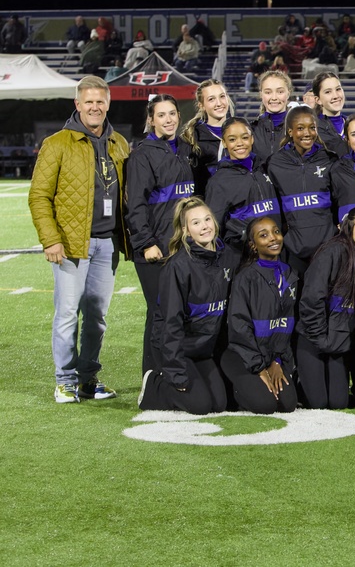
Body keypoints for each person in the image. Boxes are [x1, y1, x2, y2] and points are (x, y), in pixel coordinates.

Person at [29, 76, 129, 403]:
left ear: (108, 103)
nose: (95, 107)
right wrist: (50, 240)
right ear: (78, 104)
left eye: (100, 101)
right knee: (68, 314)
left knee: (97, 317)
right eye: (89, 102)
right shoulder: (57, 143)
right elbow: (39, 196)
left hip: (107, 245)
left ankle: (88, 380)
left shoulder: (119, 143)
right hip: (72, 245)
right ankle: (64, 380)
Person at [138, 198, 237, 414]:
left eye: (207, 219)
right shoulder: (178, 266)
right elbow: (170, 323)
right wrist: (175, 371)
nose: (204, 226)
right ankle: (155, 383)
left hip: (203, 349)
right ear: (185, 230)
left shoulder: (227, 257)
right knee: (200, 406)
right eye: (196, 223)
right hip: (177, 348)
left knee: (219, 404)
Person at [124, 94, 195, 374]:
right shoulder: (143, 154)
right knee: (159, 314)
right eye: (161, 115)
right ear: (151, 120)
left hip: (182, 247)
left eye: (172, 114)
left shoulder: (186, 149)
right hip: (156, 248)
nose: (168, 120)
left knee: (178, 313)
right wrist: (145, 243)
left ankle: (175, 371)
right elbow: (136, 203)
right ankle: (152, 377)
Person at [296, 206, 355, 409]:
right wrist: (322, 339)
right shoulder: (333, 251)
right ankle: (297, 381)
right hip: (314, 340)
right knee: (318, 404)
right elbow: (311, 300)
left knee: (338, 403)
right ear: (349, 228)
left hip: (338, 343)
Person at [222, 216, 299, 413]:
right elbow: (239, 327)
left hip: (272, 356)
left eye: (276, 232)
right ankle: (234, 390)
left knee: (287, 404)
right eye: (263, 235)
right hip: (243, 356)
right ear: (253, 245)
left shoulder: (290, 274)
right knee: (265, 405)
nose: (273, 238)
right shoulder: (245, 277)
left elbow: (286, 324)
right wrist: (259, 367)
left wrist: (277, 361)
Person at [265, 106, 336, 277]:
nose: (307, 133)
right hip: (293, 252)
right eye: (300, 128)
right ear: (290, 131)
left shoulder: (330, 159)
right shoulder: (275, 164)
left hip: (328, 248)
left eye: (312, 127)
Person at [204, 116, 281, 256]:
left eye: (244, 137)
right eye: (232, 139)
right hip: (243, 256)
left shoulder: (266, 168)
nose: (239, 143)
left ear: (252, 139)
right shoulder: (218, 181)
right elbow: (215, 228)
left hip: (277, 250)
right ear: (224, 143)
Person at [180, 79, 233, 198]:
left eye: (222, 96)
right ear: (201, 106)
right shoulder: (192, 139)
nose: (219, 103)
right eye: (211, 99)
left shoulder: (242, 131)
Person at [251, 71, 294, 162]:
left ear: (288, 93)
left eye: (280, 92)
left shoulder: (298, 127)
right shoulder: (251, 130)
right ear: (261, 94)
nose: (274, 97)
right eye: (268, 92)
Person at [309, 72, 348, 156]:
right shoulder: (312, 129)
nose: (335, 96)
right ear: (318, 100)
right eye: (328, 92)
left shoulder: (353, 124)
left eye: (338, 89)